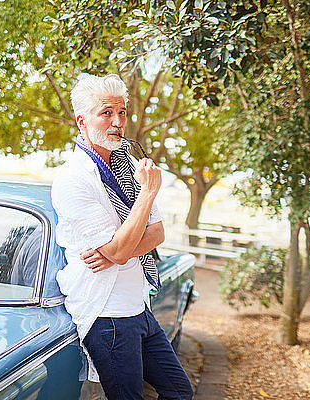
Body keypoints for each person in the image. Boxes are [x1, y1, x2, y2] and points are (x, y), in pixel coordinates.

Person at [51, 73, 193, 400]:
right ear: (82, 121)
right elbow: (119, 248)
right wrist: (147, 195)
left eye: (122, 112)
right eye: (106, 113)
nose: (118, 122)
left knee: (179, 391)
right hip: (107, 313)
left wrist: (120, 251)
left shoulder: (128, 164)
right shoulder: (73, 179)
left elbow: (157, 232)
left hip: (138, 305)